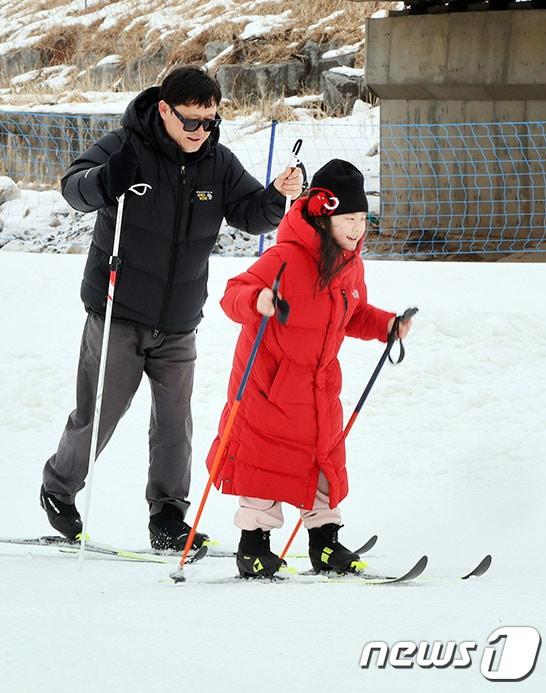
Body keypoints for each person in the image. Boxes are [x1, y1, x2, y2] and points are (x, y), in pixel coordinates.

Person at [40, 66, 303, 550]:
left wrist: (275, 196)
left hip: (180, 320)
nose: (201, 132)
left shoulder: (218, 162)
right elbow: (73, 187)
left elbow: (250, 213)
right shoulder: (126, 146)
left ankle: (167, 516)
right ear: (164, 110)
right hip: (119, 312)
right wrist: (106, 180)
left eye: (210, 121)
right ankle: (59, 489)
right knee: (100, 413)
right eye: (191, 121)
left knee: (175, 425)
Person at [206, 159, 412, 578]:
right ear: (323, 216)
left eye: (361, 219)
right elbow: (233, 294)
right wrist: (258, 301)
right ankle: (254, 548)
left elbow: (351, 314)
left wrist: (387, 326)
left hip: (318, 387)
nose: (357, 229)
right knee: (265, 465)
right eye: (347, 219)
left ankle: (324, 543)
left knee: (322, 462)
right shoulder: (286, 257)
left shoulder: (350, 264)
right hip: (268, 385)